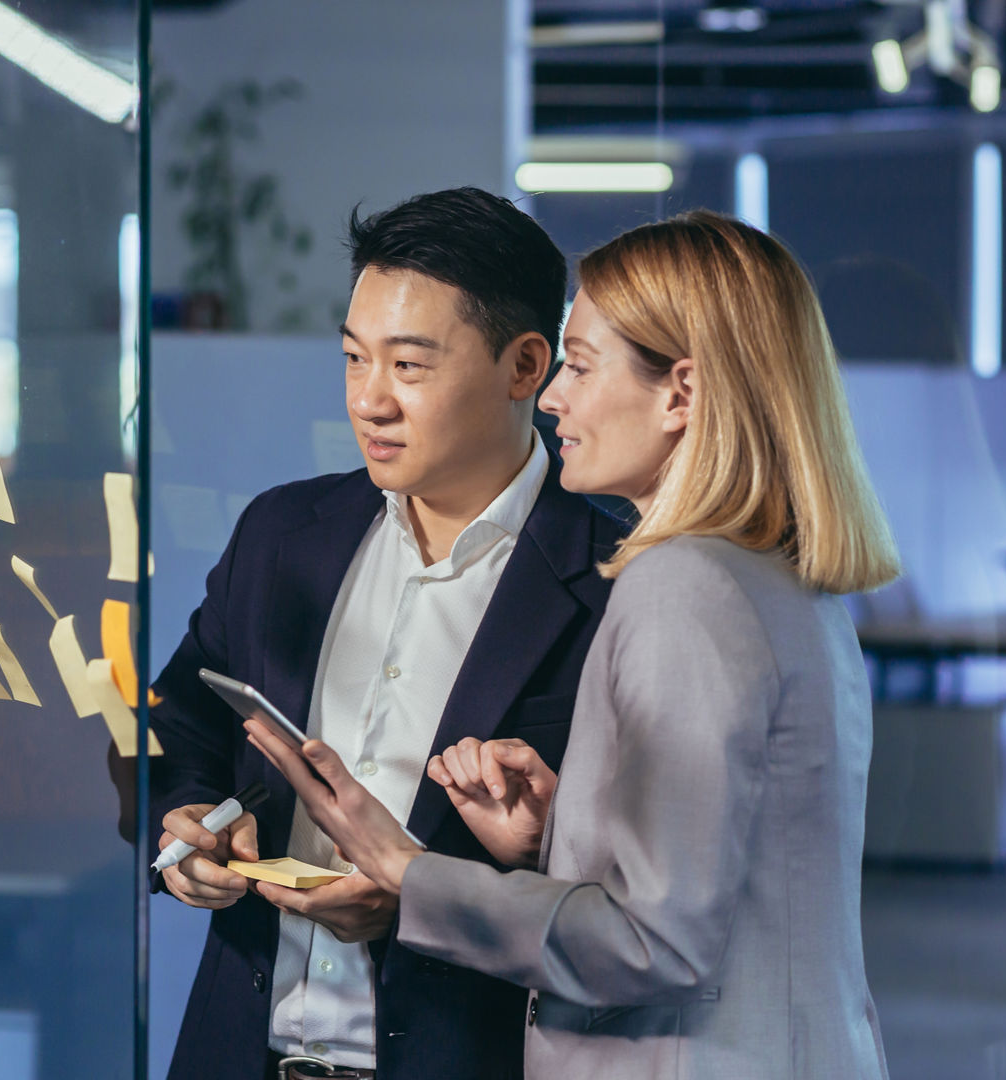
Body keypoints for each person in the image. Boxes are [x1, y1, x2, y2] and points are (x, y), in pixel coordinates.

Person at [247, 210, 902, 1079]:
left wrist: (409, 871)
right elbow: (731, 882)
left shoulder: (681, 587)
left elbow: (655, 945)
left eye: (581, 367)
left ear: (682, 393)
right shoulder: (777, 581)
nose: (554, 396)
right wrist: (557, 836)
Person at [147, 187, 626, 1080]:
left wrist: (420, 897)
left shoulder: (617, 584)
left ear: (527, 366)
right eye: (353, 359)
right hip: (239, 1051)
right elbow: (177, 724)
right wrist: (181, 831)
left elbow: (640, 893)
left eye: (408, 367)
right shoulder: (282, 534)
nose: (370, 401)